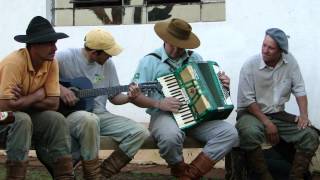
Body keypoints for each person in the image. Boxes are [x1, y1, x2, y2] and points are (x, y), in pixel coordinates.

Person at [131, 18, 239, 179]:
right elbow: (135, 97)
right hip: (164, 116)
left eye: (180, 47)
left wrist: (223, 86)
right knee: (170, 137)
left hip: (197, 117)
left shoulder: (195, 58)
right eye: (172, 44)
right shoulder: (149, 61)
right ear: (164, 39)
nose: (175, 50)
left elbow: (209, 92)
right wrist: (159, 103)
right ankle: (178, 168)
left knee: (230, 133)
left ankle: (189, 175)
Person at [55, 28, 150, 179]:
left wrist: (130, 97)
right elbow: (42, 76)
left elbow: (115, 97)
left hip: (100, 114)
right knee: (90, 120)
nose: (111, 56)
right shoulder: (64, 57)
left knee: (140, 132)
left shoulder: (108, 64)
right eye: (108, 53)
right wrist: (61, 89)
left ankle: (102, 173)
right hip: (70, 115)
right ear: (94, 53)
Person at [236, 28, 319, 180]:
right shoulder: (250, 65)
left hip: (278, 115)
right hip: (251, 113)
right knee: (250, 132)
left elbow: (299, 89)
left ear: (281, 51)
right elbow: (247, 101)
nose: (265, 50)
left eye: (271, 48)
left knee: (310, 135)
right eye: (263, 45)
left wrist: (304, 116)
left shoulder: (290, 62)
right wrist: (267, 123)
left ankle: (296, 177)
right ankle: (264, 177)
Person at [0, 16, 74, 179]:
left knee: (56, 119)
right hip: (2, 116)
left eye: (54, 42)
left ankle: (65, 175)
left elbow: (53, 103)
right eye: (49, 43)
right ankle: (15, 177)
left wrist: (23, 100)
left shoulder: (51, 62)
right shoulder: (14, 63)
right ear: (33, 44)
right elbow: (4, 107)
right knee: (21, 119)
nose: (54, 48)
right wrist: (38, 95)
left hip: (19, 111)